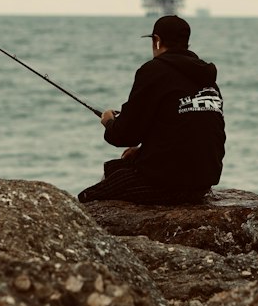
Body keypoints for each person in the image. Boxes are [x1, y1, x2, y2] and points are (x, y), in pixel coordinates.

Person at [78, 14, 225, 204]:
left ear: (157, 41)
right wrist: (143, 151)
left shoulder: (153, 71)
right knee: (115, 167)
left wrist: (108, 121)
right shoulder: (206, 77)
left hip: (167, 182)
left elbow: (125, 136)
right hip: (204, 179)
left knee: (87, 199)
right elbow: (187, 127)